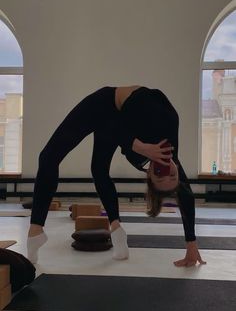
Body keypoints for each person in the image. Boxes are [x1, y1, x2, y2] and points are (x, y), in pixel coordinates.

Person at [27, 85, 206, 267]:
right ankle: (113, 233)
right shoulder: (168, 139)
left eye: (160, 175)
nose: (166, 170)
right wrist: (191, 244)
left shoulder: (138, 158)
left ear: (149, 174)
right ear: (176, 168)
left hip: (111, 117)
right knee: (52, 158)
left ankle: (113, 230)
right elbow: (186, 195)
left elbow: (113, 126)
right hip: (106, 101)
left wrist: (141, 147)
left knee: (93, 168)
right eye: (172, 174)